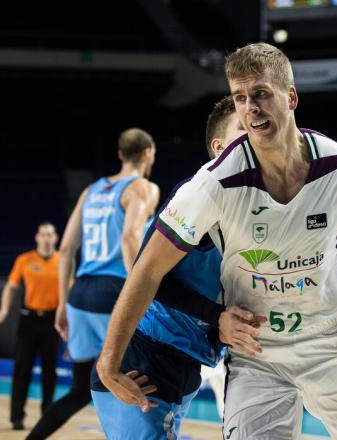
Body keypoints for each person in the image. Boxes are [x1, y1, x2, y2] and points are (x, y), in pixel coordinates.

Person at [96, 42, 337, 440]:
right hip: (257, 355)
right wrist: (109, 361)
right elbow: (148, 268)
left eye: (261, 93)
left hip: (332, 343)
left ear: (291, 96)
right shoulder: (214, 183)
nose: (251, 107)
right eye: (240, 98)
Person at [90, 96, 245, 439]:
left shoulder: (253, 207)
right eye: (243, 129)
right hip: (146, 359)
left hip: (184, 360)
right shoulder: (198, 196)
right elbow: (147, 276)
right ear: (220, 148)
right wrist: (216, 315)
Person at [26, 129, 159, 439]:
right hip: (114, 292)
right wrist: (140, 292)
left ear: (120, 153)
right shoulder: (143, 188)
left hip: (79, 297)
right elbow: (129, 237)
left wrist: (62, 302)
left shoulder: (91, 191)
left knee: (80, 390)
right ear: (148, 154)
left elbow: (66, 249)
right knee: (136, 385)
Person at [0, 222, 60, 430]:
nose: (47, 238)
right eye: (43, 234)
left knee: (50, 371)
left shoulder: (63, 260)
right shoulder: (24, 260)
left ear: (55, 238)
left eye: (50, 234)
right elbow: (11, 287)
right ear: (37, 238)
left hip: (52, 321)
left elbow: (70, 290)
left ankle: (46, 417)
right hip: (29, 321)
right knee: (22, 370)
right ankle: (16, 417)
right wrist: (3, 309)